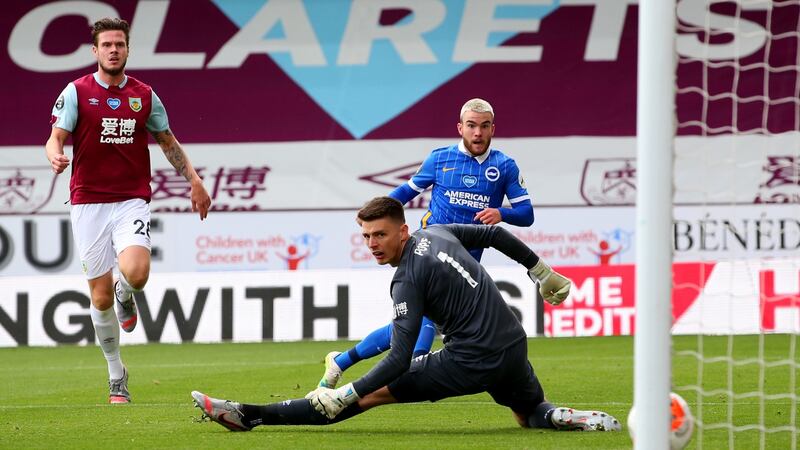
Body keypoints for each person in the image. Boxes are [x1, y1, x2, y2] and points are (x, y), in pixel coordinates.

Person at [192, 197, 620, 433]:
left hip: (471, 358)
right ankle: (566, 417)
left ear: (402, 230)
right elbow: (492, 233)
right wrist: (540, 271)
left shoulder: (407, 279)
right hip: (511, 342)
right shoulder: (438, 232)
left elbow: (398, 359)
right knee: (528, 414)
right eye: (365, 236)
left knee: (367, 396)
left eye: (380, 234)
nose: (372, 244)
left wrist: (346, 391)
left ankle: (251, 415)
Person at [45, 17, 211, 403]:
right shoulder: (76, 92)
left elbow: (167, 139)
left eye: (119, 44)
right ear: (96, 51)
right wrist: (55, 155)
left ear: (127, 49)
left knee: (136, 274)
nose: (114, 50)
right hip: (88, 202)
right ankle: (116, 372)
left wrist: (195, 180)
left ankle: (127, 292)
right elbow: (55, 137)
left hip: (130, 199)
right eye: (107, 45)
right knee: (98, 298)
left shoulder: (144, 95)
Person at [317, 98, 534, 390]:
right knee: (423, 324)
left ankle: (342, 362)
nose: (478, 133)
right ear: (460, 127)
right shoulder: (440, 159)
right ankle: (411, 371)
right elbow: (405, 192)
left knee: (411, 321)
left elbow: (526, 214)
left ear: (493, 128)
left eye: (484, 126)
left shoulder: (504, 166)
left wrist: (501, 213)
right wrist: (374, 219)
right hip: (427, 249)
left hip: (466, 261)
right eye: (471, 126)